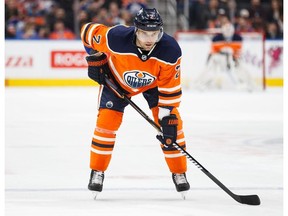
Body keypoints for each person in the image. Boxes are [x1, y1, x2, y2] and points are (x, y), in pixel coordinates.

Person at [80, 8, 190, 198]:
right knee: (106, 124)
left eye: (154, 33)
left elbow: (169, 91)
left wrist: (167, 119)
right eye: (145, 33)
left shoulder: (170, 50)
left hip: (153, 85)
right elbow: (86, 32)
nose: (150, 39)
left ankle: (179, 172)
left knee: (172, 128)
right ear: (136, 30)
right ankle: (97, 171)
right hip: (116, 81)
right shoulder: (116, 37)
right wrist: (95, 58)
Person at [195, 17, 255, 91]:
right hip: (218, 58)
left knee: (240, 68)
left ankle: (248, 84)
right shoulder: (217, 38)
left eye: (229, 31)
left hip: (232, 58)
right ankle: (201, 83)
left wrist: (234, 58)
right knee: (211, 69)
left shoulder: (237, 38)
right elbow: (213, 52)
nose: (228, 33)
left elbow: (238, 52)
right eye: (226, 31)